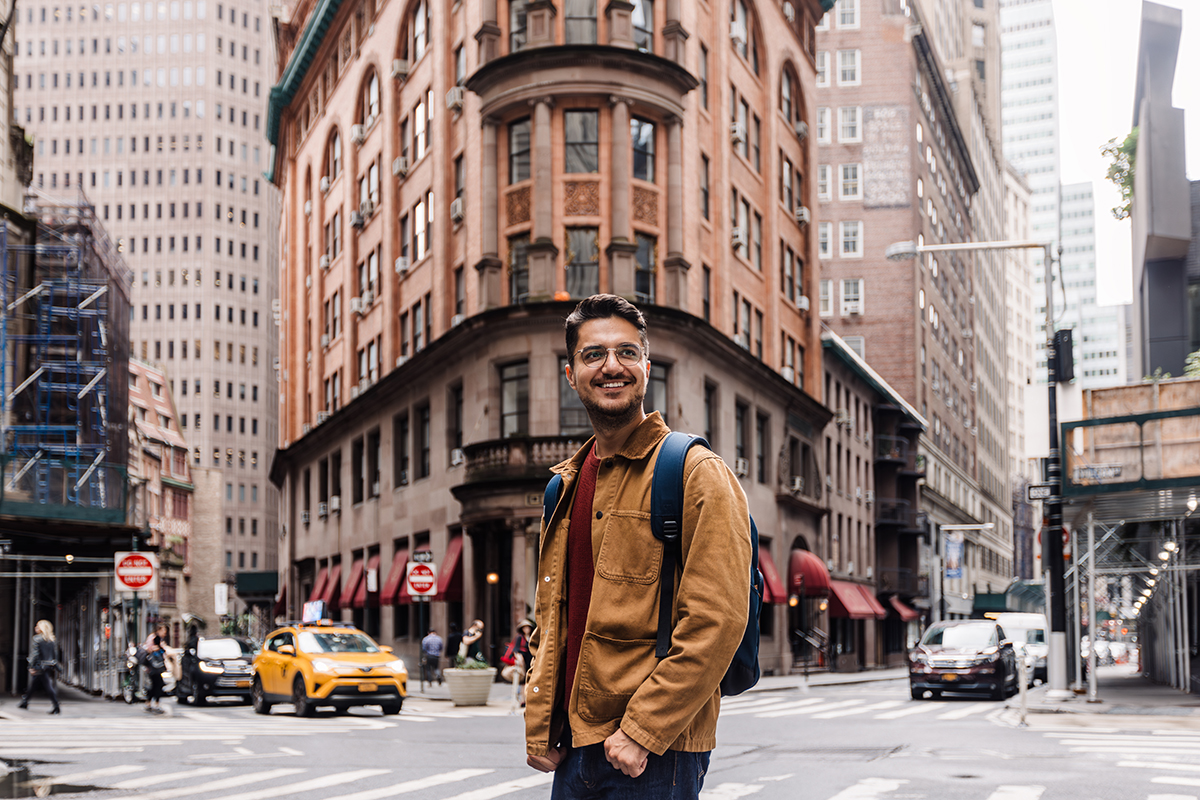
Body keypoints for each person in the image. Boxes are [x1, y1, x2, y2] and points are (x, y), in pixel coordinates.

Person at [525, 295, 751, 799]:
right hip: (575, 749)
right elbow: (553, 619)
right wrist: (539, 721)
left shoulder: (695, 472)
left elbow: (717, 621)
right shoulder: (564, 486)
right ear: (570, 374)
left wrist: (641, 731)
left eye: (627, 353)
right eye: (593, 355)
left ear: (646, 368)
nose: (612, 367)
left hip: (652, 754)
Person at [19, 619, 60, 714]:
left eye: (37, 626)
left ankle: (56, 706)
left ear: (41, 628)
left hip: (39, 666)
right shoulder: (51, 640)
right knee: (34, 684)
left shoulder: (37, 639)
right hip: (48, 666)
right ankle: (24, 702)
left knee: (47, 685)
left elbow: (35, 654)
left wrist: (30, 666)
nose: (35, 628)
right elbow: (55, 655)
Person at [143, 624, 169, 715]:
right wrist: (157, 648)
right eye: (163, 631)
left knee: (154, 686)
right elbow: (149, 650)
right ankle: (154, 704)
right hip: (153, 668)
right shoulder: (153, 638)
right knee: (158, 685)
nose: (165, 633)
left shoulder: (159, 640)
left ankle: (149, 703)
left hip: (154, 668)